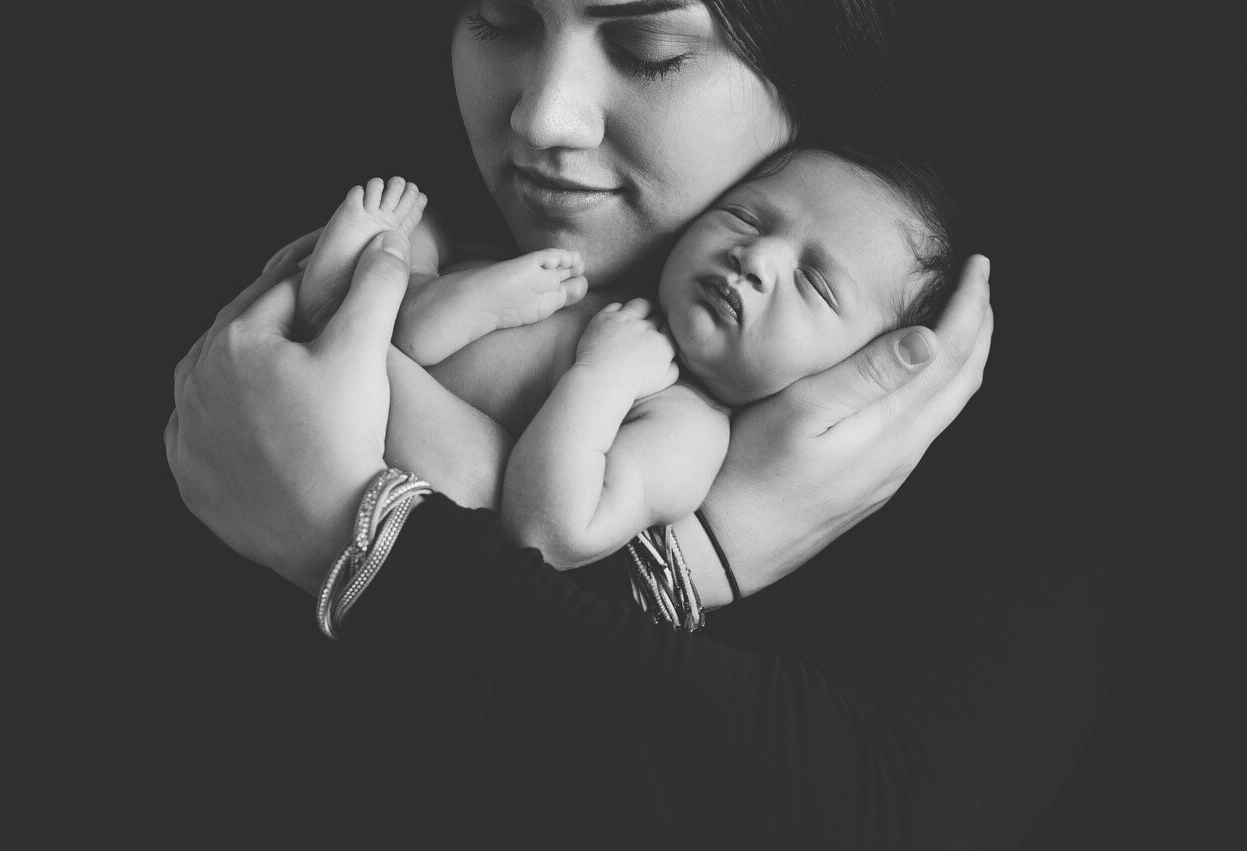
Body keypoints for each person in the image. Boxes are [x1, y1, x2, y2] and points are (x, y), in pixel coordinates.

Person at [165, 0, 1147, 851]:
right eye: (499, 17)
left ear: (818, 42)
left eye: (651, 50)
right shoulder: (381, 278)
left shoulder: (983, 379)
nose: (542, 121)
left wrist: (372, 542)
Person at [296, 146, 964, 589]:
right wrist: (482, 297)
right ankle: (361, 306)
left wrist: (600, 380)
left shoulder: (688, 428)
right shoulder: (616, 288)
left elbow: (550, 530)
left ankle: (335, 313)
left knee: (462, 456)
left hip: (383, 463)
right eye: (744, 215)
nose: (755, 258)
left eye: (814, 283)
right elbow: (429, 344)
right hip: (395, 367)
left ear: (844, 371)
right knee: (416, 259)